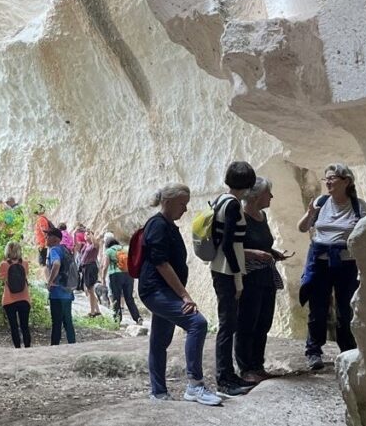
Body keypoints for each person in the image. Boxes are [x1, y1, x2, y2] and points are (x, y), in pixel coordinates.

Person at [139, 183, 221, 406]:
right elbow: (161, 263)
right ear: (168, 202)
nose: (185, 209)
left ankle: (158, 393)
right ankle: (195, 385)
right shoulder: (158, 225)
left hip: (160, 291)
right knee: (197, 323)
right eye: (182, 204)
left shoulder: (167, 224)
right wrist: (185, 296)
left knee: (159, 341)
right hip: (155, 290)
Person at [297, 163, 366, 371]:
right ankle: (313, 352)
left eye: (332, 178)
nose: (328, 182)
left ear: (346, 181)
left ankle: (347, 350)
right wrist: (310, 213)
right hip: (319, 262)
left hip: (347, 264)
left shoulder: (358, 206)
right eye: (326, 178)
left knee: (346, 309)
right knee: (317, 307)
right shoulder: (321, 202)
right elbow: (302, 228)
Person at [210, 161, 258, 396]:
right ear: (247, 183)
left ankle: (228, 374)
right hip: (227, 270)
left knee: (228, 324)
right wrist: (238, 278)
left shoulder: (220, 199)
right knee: (228, 325)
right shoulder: (232, 205)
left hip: (220, 268)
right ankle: (224, 378)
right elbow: (229, 244)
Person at [238, 178, 291, 382]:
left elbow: (263, 244)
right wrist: (256, 255)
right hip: (249, 276)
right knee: (247, 322)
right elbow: (230, 248)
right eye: (268, 193)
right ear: (257, 196)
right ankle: (246, 368)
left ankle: (257, 365)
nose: (271, 197)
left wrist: (273, 253)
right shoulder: (240, 217)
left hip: (265, 275)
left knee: (263, 322)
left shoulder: (262, 216)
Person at [0, 241, 31, 348]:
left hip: (9, 299)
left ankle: (17, 348)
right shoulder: (24, 263)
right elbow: (26, 275)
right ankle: (28, 347)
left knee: (13, 326)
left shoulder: (3, 264)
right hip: (24, 298)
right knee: (24, 325)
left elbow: (1, 278)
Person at [45, 228, 76, 345]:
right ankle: (73, 344)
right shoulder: (66, 250)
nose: (46, 238)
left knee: (56, 323)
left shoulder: (54, 250)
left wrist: (50, 280)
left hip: (57, 292)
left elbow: (56, 264)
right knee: (68, 321)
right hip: (68, 291)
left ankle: (54, 347)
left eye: (48, 236)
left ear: (55, 239)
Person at [105, 238, 142, 324]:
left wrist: (103, 278)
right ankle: (138, 318)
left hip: (115, 275)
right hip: (128, 275)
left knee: (116, 298)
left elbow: (105, 265)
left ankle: (117, 320)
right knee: (129, 298)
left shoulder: (109, 251)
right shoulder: (125, 249)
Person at [80, 232, 102, 317]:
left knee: (90, 289)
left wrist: (92, 234)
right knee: (89, 290)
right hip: (85, 267)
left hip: (90, 267)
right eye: (85, 234)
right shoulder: (86, 245)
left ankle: (92, 312)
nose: (86, 235)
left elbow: (96, 243)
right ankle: (97, 310)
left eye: (88, 234)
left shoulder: (94, 246)